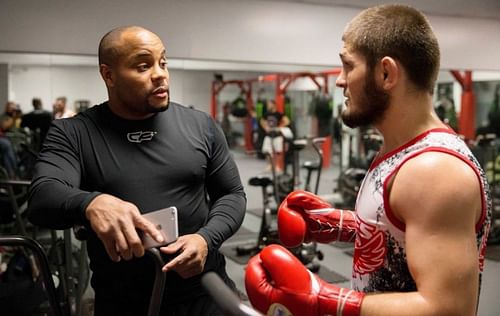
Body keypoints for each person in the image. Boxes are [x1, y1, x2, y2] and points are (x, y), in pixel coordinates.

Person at [245, 4, 492, 316]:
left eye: (348, 66)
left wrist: (323, 300)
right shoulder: (401, 151)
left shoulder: (434, 171)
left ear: (386, 73)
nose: (339, 81)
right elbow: (401, 236)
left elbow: (449, 308)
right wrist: (335, 224)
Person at [27, 26, 246, 316]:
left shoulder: (200, 125)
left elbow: (232, 194)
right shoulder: (74, 133)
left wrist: (206, 238)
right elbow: (43, 196)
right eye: (143, 66)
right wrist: (91, 203)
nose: (160, 74)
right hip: (125, 302)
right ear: (109, 75)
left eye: (163, 62)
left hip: (205, 292)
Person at [260, 99, 290, 172]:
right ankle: (270, 165)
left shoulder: (279, 114)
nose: (268, 106)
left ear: (273, 105)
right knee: (267, 150)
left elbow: (287, 121)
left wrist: (279, 127)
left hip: (277, 135)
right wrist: (265, 127)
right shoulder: (266, 114)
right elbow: (262, 121)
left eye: (269, 104)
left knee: (278, 151)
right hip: (269, 135)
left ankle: (277, 165)